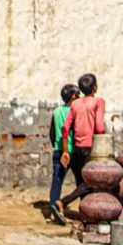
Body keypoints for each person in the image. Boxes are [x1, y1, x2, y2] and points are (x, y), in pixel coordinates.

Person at [53, 73, 106, 221]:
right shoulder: (99, 102)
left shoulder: (75, 104)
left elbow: (65, 128)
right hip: (92, 149)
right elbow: (100, 128)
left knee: (83, 182)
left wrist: (65, 151)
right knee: (91, 182)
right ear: (95, 87)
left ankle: (85, 214)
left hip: (77, 148)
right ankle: (64, 202)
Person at [47, 83, 78, 224]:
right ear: (73, 96)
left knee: (57, 181)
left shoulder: (56, 112)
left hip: (60, 151)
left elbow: (52, 133)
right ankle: (86, 210)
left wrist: (57, 146)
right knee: (82, 183)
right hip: (75, 152)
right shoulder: (76, 110)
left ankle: (53, 210)